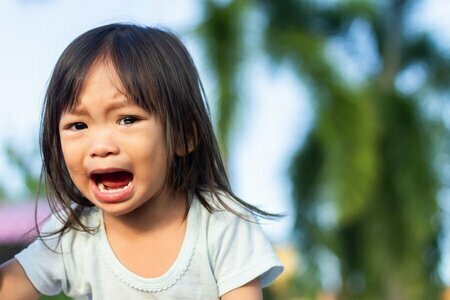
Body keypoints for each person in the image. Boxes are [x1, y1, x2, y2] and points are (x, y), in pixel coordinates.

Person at [0, 23, 283, 299]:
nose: (100, 147)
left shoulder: (222, 223)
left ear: (184, 136)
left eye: (127, 119)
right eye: (78, 126)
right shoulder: (74, 232)